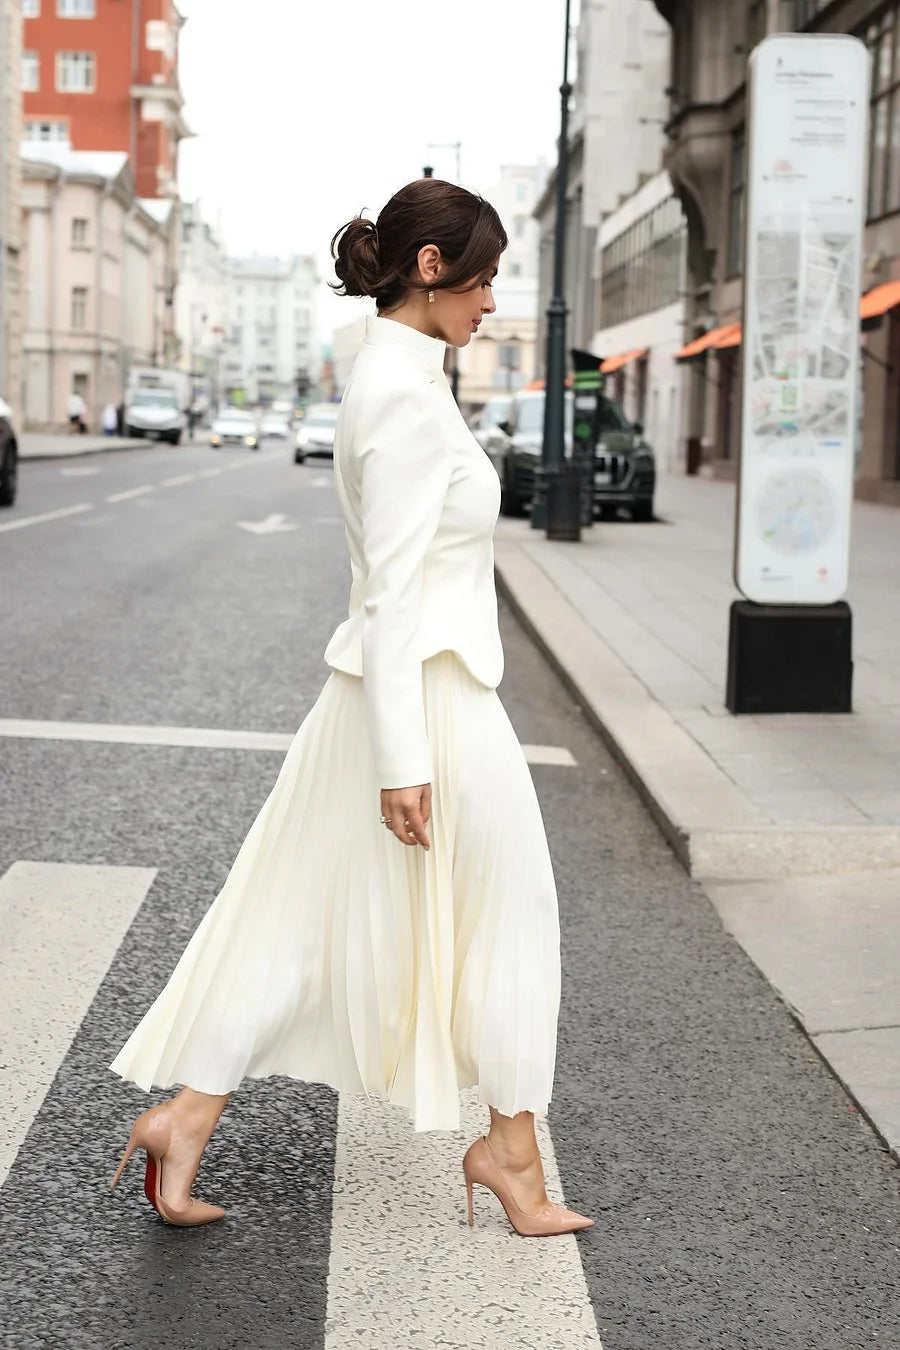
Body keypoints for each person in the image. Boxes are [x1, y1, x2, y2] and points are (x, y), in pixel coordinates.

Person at [108, 178, 592, 1239]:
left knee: (298, 926)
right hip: (426, 701)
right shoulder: (404, 397)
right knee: (512, 914)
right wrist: (403, 761)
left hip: (396, 700)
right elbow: (394, 597)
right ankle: (508, 1155)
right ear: (431, 269)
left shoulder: (400, 378)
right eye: (485, 275)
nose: (492, 300)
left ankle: (184, 1118)